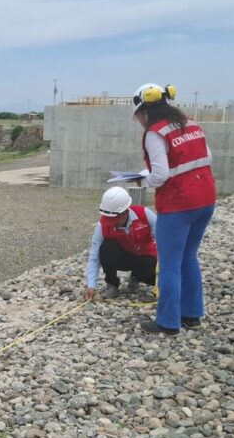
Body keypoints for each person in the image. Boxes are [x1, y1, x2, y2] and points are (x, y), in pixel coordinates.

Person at [132, 83, 216, 335]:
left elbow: (160, 174)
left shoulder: (155, 132)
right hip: (206, 199)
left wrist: (141, 180)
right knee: (188, 258)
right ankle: (191, 315)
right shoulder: (190, 124)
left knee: (169, 265)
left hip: (178, 204)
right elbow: (205, 157)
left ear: (144, 111)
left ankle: (168, 322)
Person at [83, 186, 159, 300]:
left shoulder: (144, 214)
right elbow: (94, 256)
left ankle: (137, 276)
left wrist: (164, 269)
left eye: (114, 219)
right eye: (108, 218)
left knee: (154, 278)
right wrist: (91, 286)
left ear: (125, 212)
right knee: (107, 247)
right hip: (125, 258)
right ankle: (112, 284)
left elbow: (164, 240)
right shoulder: (102, 225)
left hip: (147, 258)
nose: (111, 223)